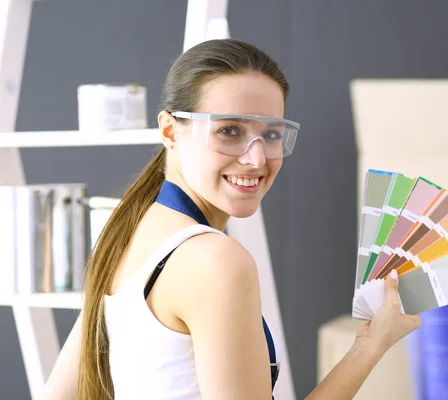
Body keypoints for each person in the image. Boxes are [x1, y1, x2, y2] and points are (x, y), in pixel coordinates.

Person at [41, 38, 421, 400]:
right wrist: (371, 345)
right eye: (229, 131)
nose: (257, 159)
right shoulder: (216, 260)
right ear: (170, 130)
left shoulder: (128, 230)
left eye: (271, 133)